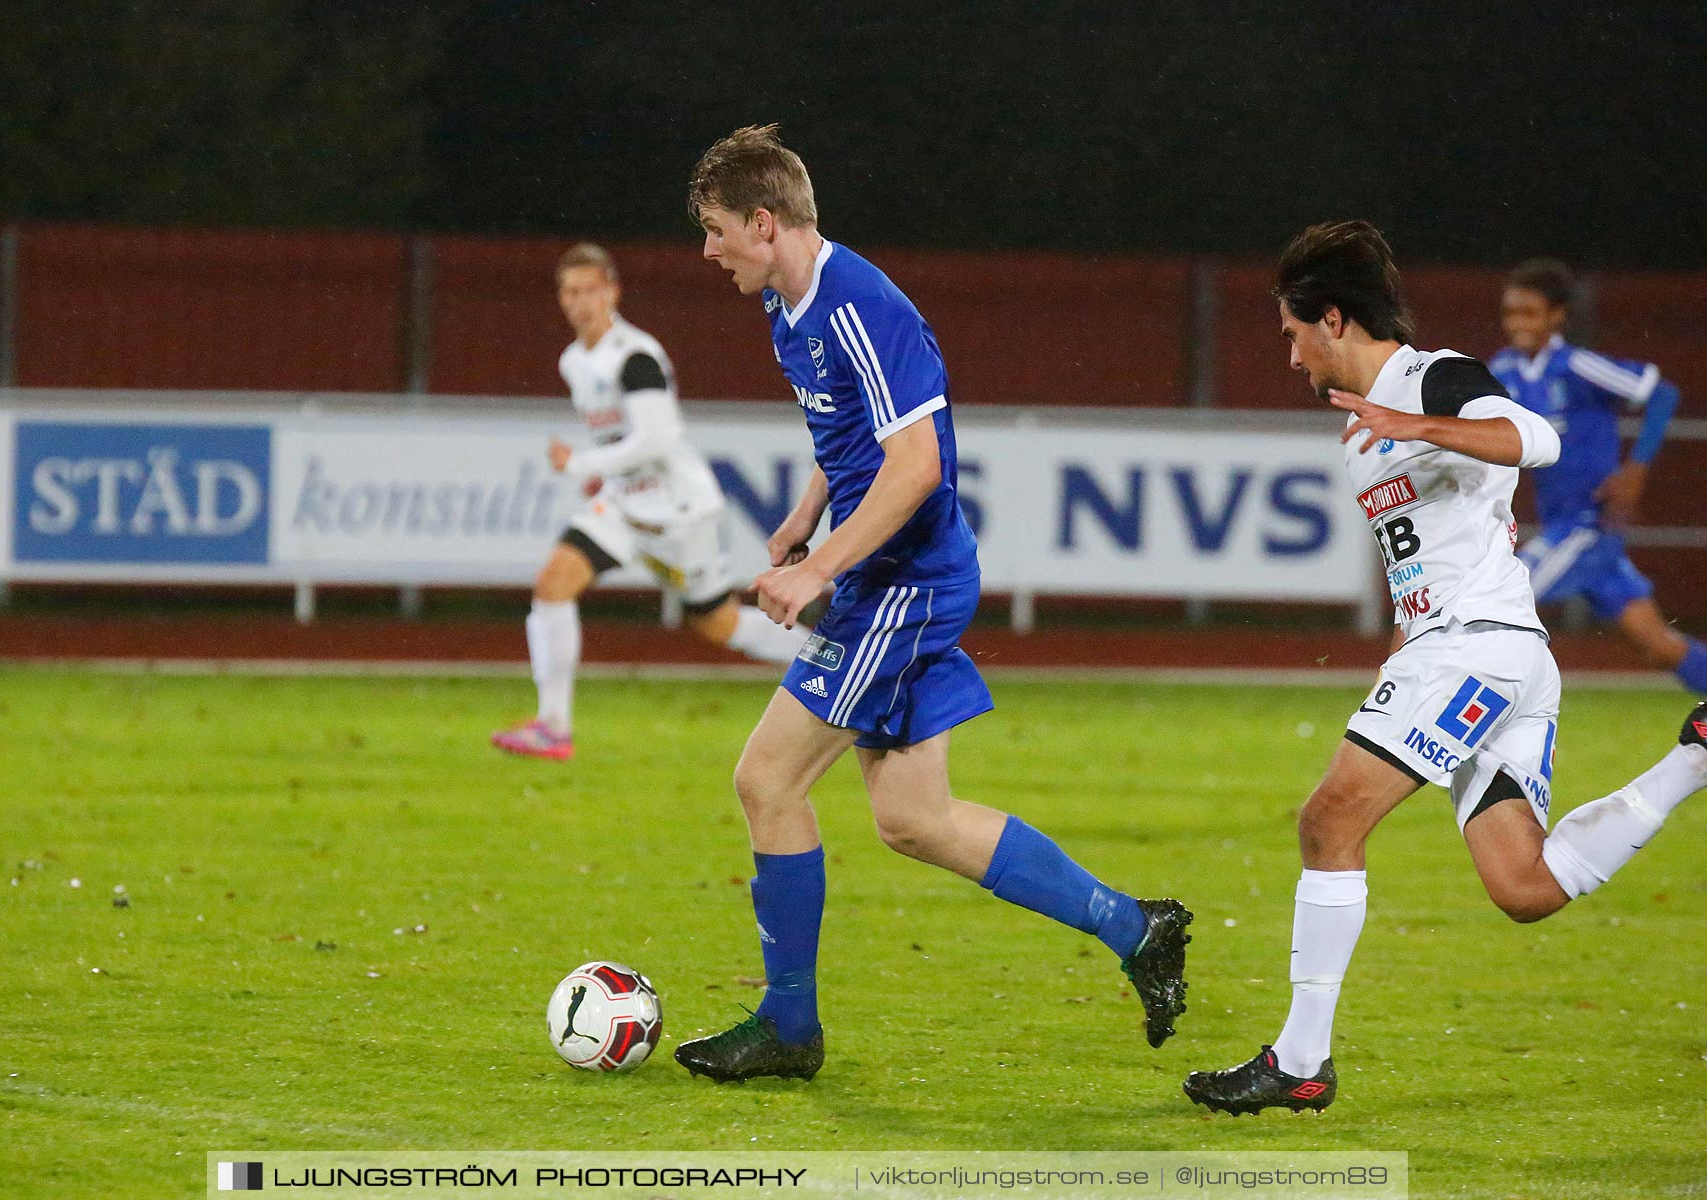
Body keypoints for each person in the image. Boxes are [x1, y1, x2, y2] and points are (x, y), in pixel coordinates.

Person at [671, 125, 1193, 1083]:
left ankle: (789, 1028)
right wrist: (802, 516)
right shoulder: (790, 310)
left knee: (767, 780)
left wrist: (817, 567)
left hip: (902, 587)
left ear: (763, 221)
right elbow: (856, 445)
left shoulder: (858, 305)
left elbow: (915, 468)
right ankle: (1138, 927)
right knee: (915, 819)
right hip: (884, 579)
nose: (706, 252)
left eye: (713, 231)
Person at [1183, 221, 1707, 1115]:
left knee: (1327, 822)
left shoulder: (1434, 378)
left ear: (1333, 320)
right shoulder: (1360, 438)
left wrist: (1413, 423)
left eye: (1291, 333)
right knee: (1526, 887)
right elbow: (1416, 567)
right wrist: (1398, 658)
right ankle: (1697, 754)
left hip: (1478, 650)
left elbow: (1532, 437)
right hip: (1482, 654)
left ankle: (1301, 1062)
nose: (1289, 355)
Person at [492, 243, 808, 762]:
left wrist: (581, 465)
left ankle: (831, 662)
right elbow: (622, 439)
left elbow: (657, 440)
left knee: (719, 626)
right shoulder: (573, 361)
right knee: (553, 583)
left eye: (590, 289)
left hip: (678, 514)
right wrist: (603, 475)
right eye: (570, 292)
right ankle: (553, 727)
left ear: (612, 292)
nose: (580, 301)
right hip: (625, 508)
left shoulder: (634, 357)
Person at [1488, 259, 1706, 692]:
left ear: (1558, 315)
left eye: (1529, 312)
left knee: (1498, 600)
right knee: (1659, 645)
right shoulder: (1503, 371)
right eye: (1510, 312)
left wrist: (1636, 469)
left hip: (1588, 526)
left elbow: (1661, 393)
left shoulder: (1576, 366)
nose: (1516, 323)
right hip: (1566, 527)